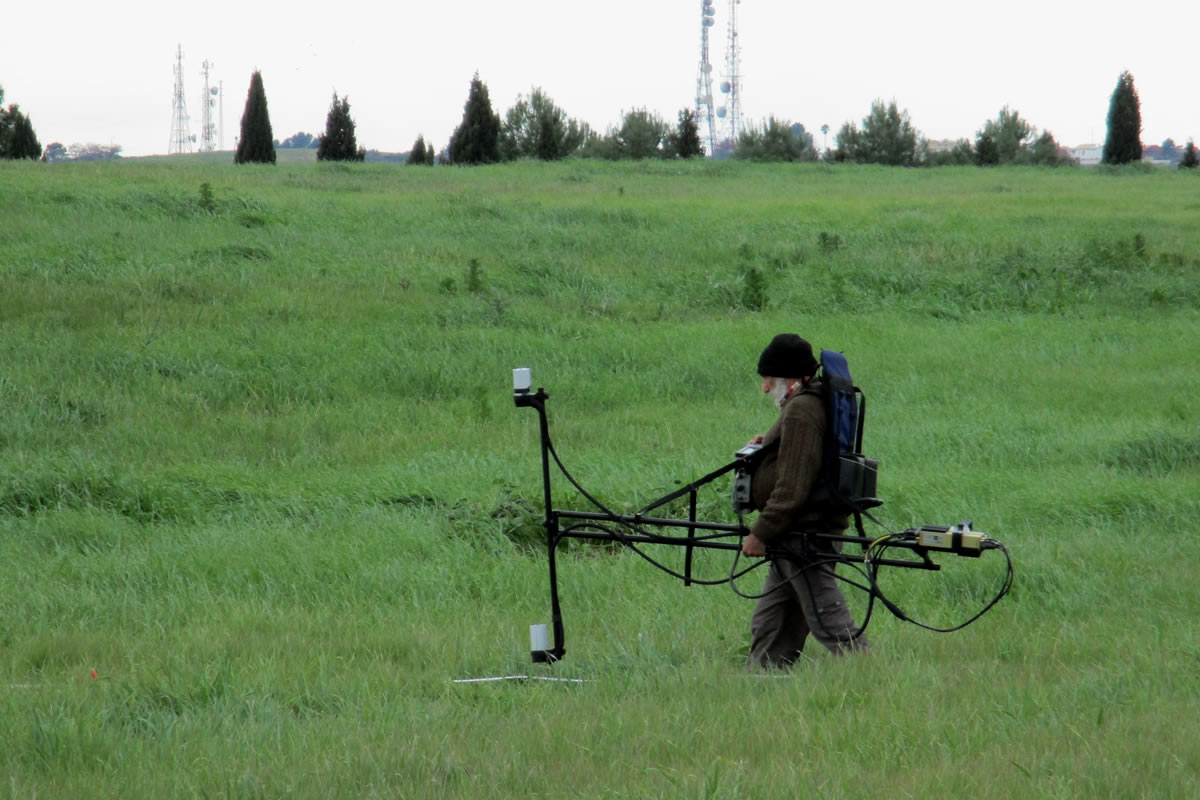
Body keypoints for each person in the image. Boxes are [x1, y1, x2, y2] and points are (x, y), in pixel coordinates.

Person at [741, 333, 871, 668]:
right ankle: (762, 682)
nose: (765, 388)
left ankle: (871, 673)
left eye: (770, 380)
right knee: (771, 622)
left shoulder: (802, 410)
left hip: (803, 537)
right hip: (795, 536)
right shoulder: (806, 404)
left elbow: (792, 488)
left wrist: (760, 532)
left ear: (792, 380)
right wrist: (767, 443)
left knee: (830, 623)